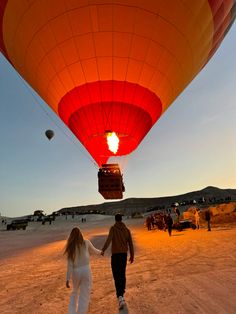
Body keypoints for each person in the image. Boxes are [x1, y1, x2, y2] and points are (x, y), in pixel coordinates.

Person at [64, 227, 101, 314]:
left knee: (75, 291)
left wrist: (67, 279)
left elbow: (70, 265)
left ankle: (71, 312)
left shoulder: (71, 246)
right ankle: (81, 312)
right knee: (84, 293)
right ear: (80, 234)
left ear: (71, 235)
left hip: (76, 271)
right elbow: (94, 251)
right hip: (86, 270)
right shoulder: (86, 242)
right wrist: (101, 252)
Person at [101, 213, 134, 310]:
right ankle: (122, 293)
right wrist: (132, 255)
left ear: (115, 220)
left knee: (116, 275)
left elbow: (108, 240)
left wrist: (103, 250)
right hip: (124, 255)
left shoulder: (113, 229)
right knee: (122, 274)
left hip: (115, 255)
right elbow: (131, 244)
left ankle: (120, 296)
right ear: (121, 219)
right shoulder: (127, 230)